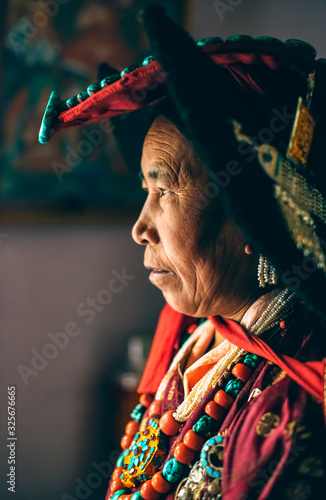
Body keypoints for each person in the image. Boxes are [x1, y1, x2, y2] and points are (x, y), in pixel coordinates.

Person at [39, 6, 326, 499]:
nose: (139, 229)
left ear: (246, 210)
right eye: (143, 191)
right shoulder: (198, 332)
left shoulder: (295, 408)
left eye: (165, 189)